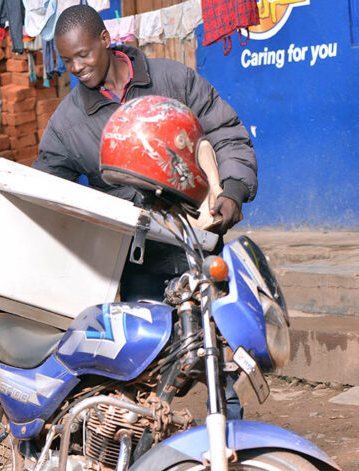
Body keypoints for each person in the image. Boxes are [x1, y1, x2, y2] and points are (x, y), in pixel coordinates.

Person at [32, 5, 257, 418]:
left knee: (215, 361)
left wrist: (233, 192)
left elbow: (226, 134)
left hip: (199, 248)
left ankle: (231, 463)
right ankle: (147, 470)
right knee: (140, 374)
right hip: (137, 262)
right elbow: (48, 186)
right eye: (67, 61)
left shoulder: (172, 79)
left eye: (83, 55)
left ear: (105, 39)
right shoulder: (68, 122)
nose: (77, 68)